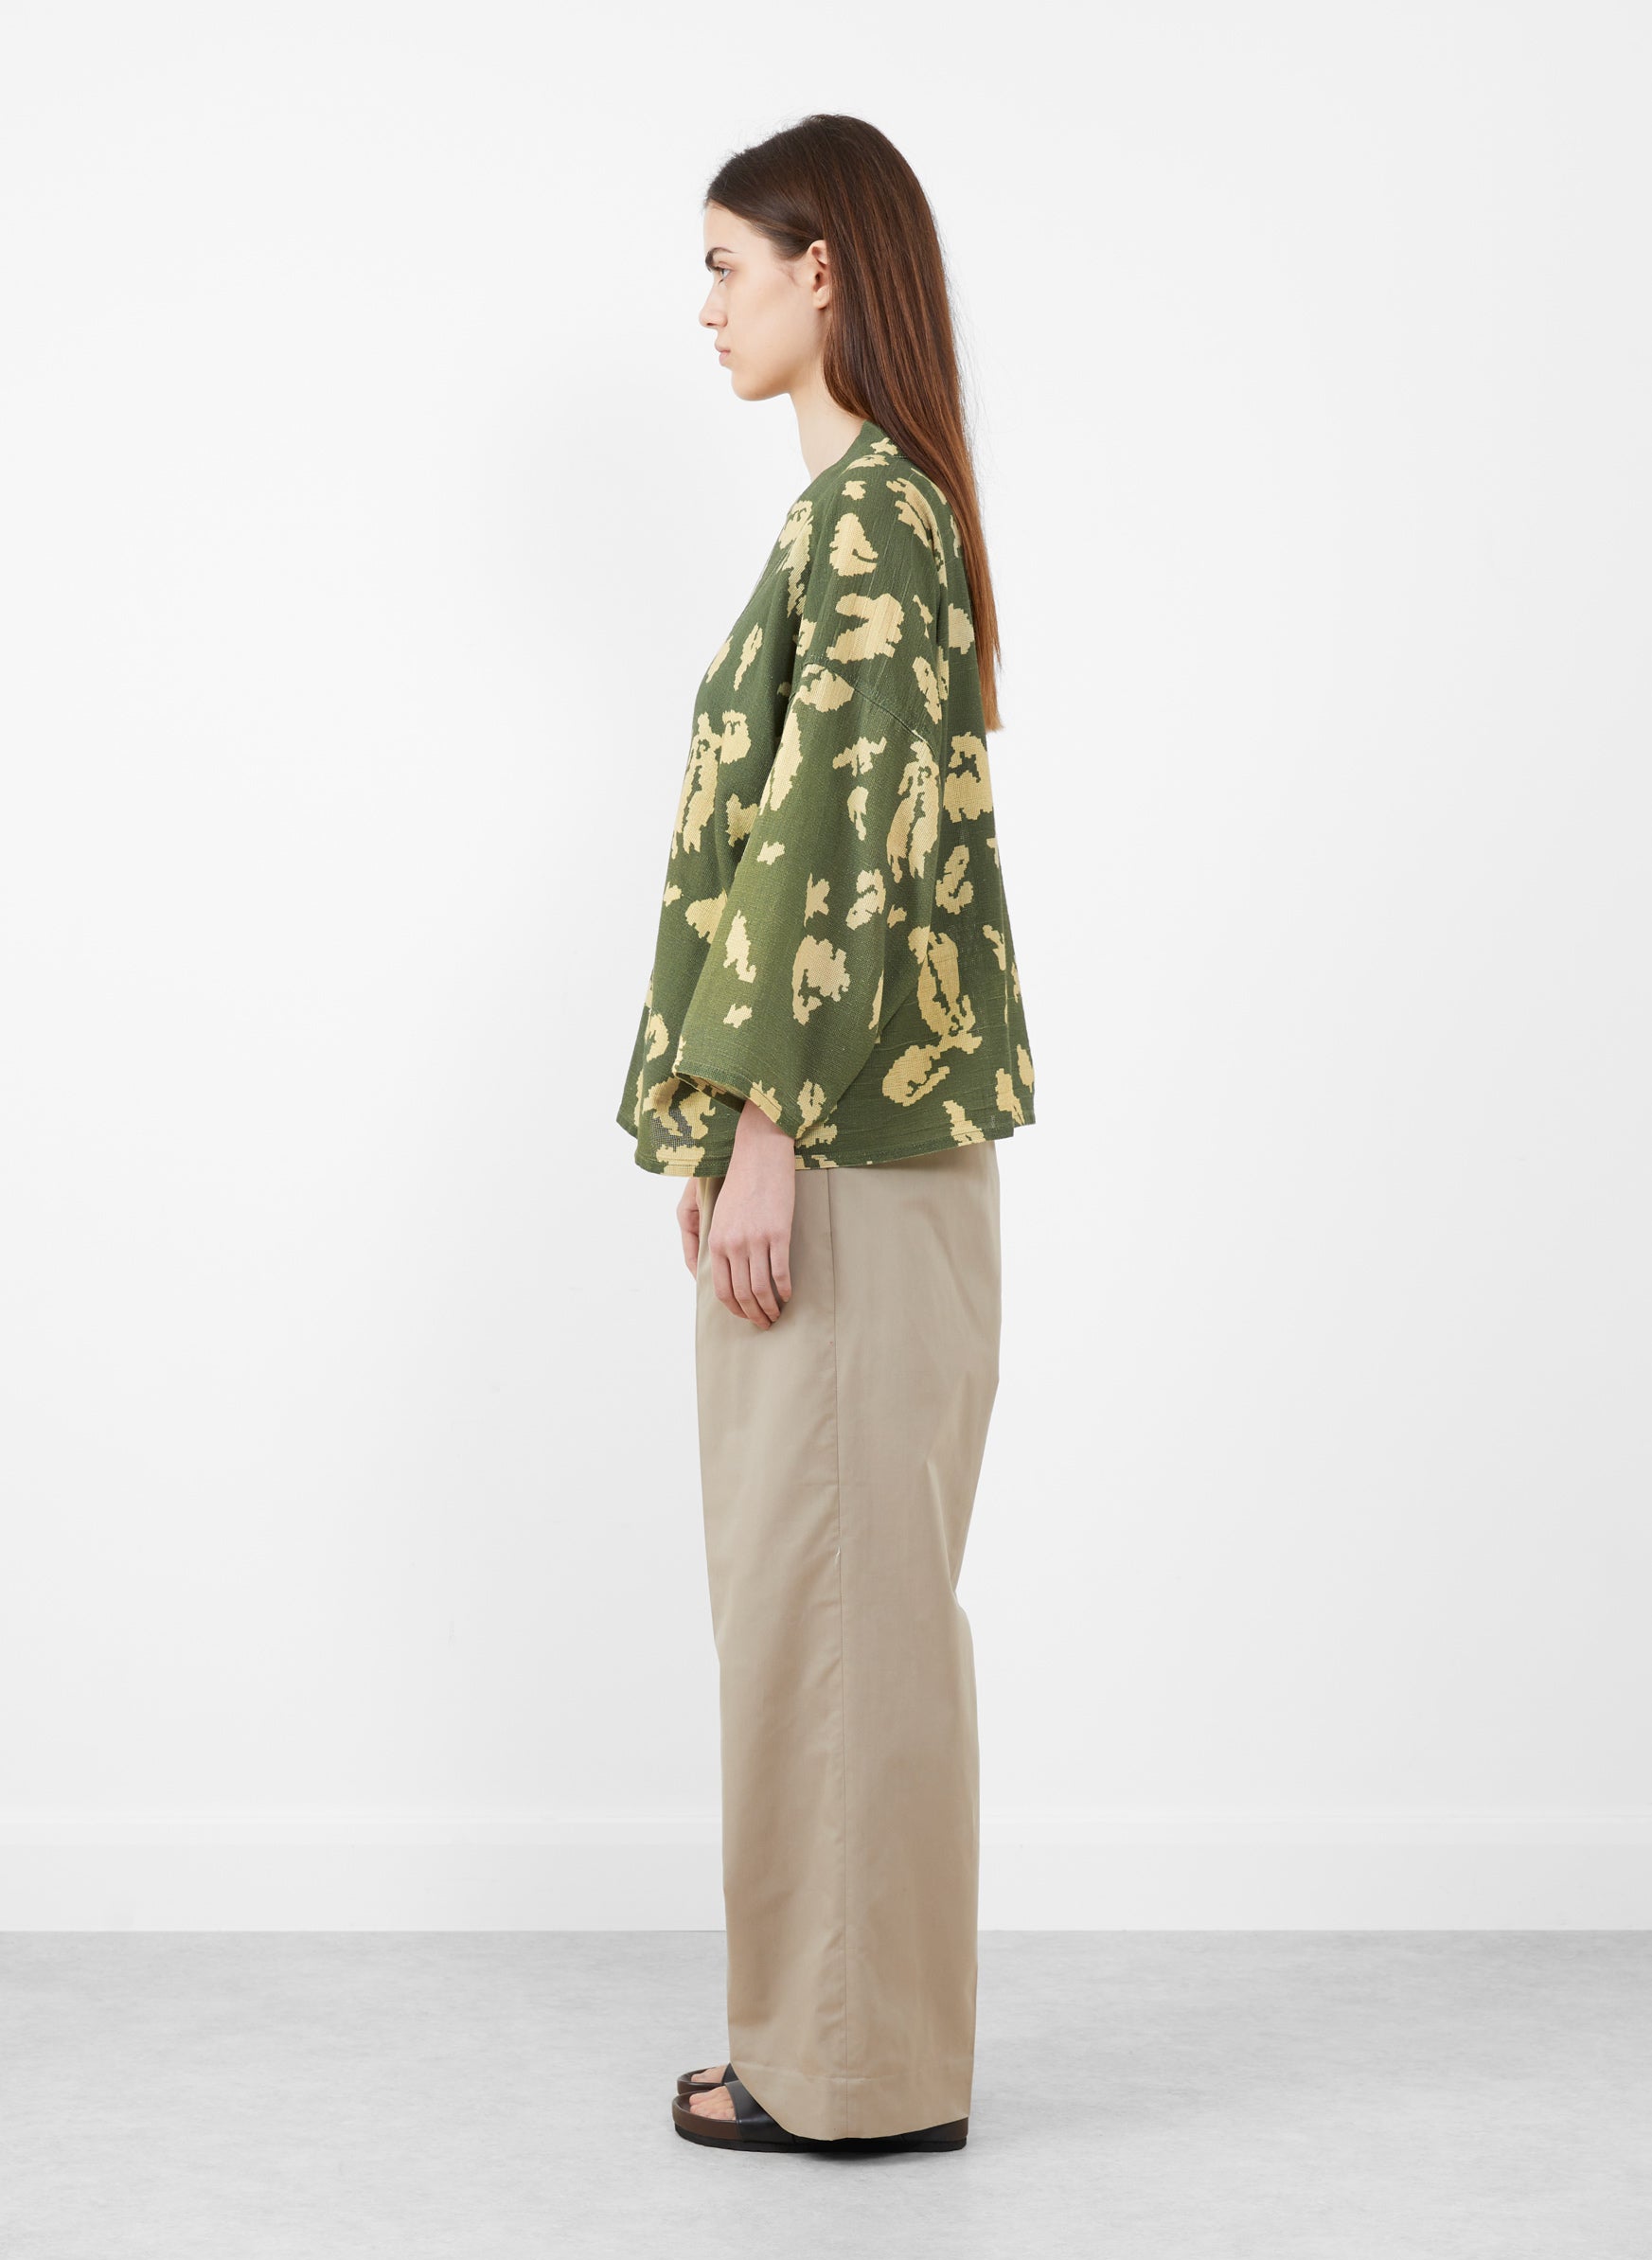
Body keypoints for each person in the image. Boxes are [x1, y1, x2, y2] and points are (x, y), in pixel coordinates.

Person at [614, 113, 1038, 2156]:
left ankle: (851, 2075)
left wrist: (765, 1128)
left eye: (725, 264)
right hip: (845, 1144)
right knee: (822, 1608)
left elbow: (835, 846)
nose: (705, 305)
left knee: (839, 1613)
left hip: (844, 1152)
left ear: (822, 270)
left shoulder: (870, 522)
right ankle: (826, 2041)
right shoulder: (872, 515)